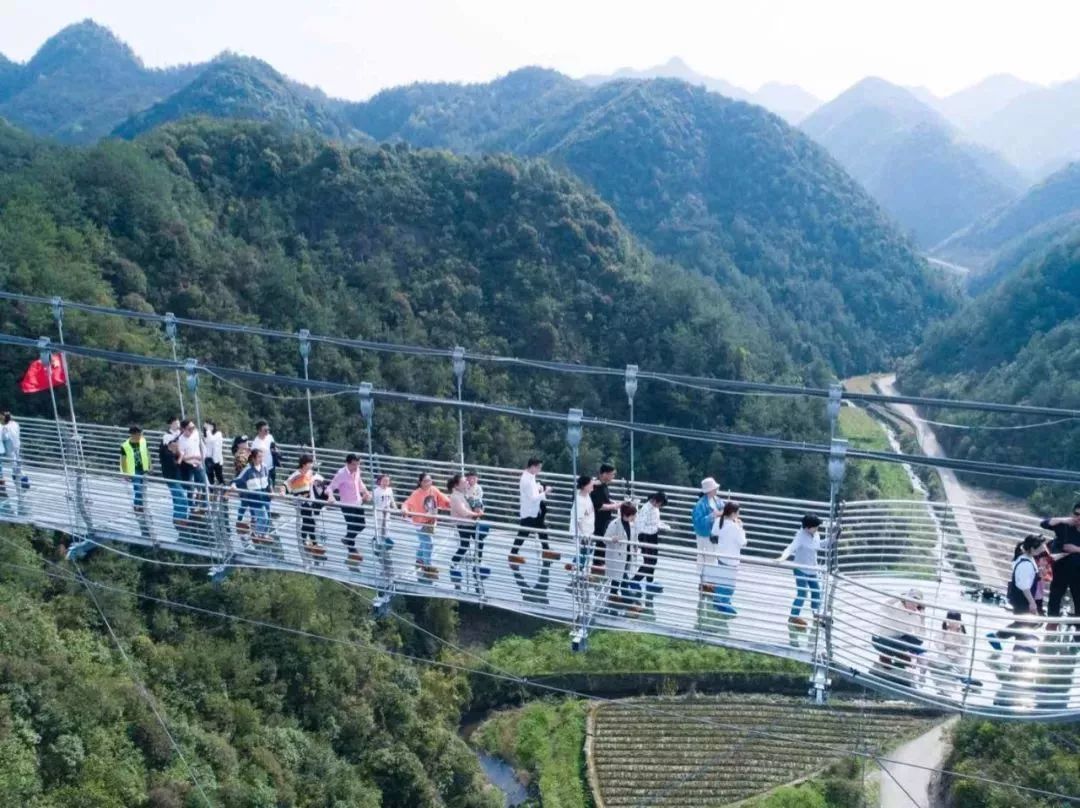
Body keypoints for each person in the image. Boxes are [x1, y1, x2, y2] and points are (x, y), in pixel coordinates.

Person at [988, 534, 1045, 652]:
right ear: (1032, 549)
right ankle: (1000, 637)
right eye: (1040, 547)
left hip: (1019, 598)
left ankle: (1018, 645)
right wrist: (1032, 602)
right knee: (1023, 623)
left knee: (1023, 622)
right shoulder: (1026, 564)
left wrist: (1037, 574)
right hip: (1022, 598)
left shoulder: (1025, 558)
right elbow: (1024, 586)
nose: (1043, 549)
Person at [777, 514, 828, 627]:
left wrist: (833, 538)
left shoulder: (815, 534)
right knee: (802, 593)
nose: (817, 529)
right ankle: (793, 617)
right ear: (807, 527)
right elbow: (791, 548)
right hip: (800, 569)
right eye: (815, 527)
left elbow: (819, 545)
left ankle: (816, 614)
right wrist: (782, 557)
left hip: (812, 569)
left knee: (816, 592)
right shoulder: (800, 536)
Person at [402, 472, 451, 577]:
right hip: (421, 523)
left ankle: (419, 560)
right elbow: (406, 503)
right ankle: (427, 566)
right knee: (428, 544)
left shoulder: (433, 489)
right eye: (425, 481)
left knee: (423, 542)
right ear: (420, 482)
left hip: (430, 522)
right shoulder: (416, 493)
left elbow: (443, 498)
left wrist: (451, 503)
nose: (428, 483)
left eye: (430, 480)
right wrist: (405, 510)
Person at [1040, 504, 1080, 622]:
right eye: (1076, 514)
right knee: (1055, 598)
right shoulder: (1065, 526)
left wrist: (1076, 549)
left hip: (1078, 574)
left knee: (1079, 601)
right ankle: (1052, 626)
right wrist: (1063, 519)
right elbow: (1044, 523)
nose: (1078, 517)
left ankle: (1077, 633)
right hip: (1060, 570)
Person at [327, 454, 372, 555]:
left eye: (358, 464)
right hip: (347, 505)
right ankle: (352, 550)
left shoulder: (357, 470)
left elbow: (359, 482)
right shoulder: (341, 474)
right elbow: (330, 487)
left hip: (358, 502)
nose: (356, 467)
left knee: (361, 525)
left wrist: (366, 492)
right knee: (351, 526)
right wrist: (331, 496)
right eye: (354, 465)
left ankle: (347, 539)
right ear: (347, 463)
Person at [873, 588, 927, 669]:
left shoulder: (916, 617)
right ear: (905, 600)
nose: (912, 604)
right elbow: (882, 606)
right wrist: (898, 597)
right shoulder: (896, 608)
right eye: (909, 600)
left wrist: (923, 619)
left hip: (896, 640)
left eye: (915, 602)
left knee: (915, 642)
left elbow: (920, 639)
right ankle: (885, 655)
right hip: (881, 640)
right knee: (902, 644)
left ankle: (900, 653)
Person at [708, 501, 746, 615]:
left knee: (721, 580)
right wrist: (741, 527)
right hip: (732, 559)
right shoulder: (736, 527)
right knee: (730, 585)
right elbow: (743, 542)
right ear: (734, 513)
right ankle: (724, 603)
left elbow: (714, 532)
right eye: (738, 512)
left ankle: (717, 601)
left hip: (721, 556)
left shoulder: (719, 521)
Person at [229, 447, 272, 543]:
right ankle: (256, 534)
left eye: (262, 457)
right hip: (255, 498)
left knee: (267, 517)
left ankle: (263, 534)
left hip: (265, 496)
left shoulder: (264, 467)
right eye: (259, 457)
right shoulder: (248, 470)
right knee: (263, 517)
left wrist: (271, 490)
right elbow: (238, 479)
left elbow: (269, 480)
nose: (261, 459)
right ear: (253, 458)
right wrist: (233, 485)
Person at [511, 458, 551, 558]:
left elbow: (531, 492)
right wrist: (545, 492)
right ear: (533, 467)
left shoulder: (530, 476)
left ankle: (546, 551)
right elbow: (533, 498)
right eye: (538, 468)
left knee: (542, 530)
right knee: (523, 534)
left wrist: (538, 487)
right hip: (529, 512)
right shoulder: (527, 480)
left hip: (533, 511)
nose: (539, 470)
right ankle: (513, 553)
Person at [285, 454, 326, 550]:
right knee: (309, 522)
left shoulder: (310, 472)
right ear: (304, 464)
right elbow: (286, 484)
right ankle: (310, 543)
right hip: (301, 502)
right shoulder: (296, 475)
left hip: (309, 501)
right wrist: (283, 491)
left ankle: (308, 543)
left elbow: (316, 479)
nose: (312, 464)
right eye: (310, 463)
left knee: (308, 522)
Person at [603, 501, 639, 607]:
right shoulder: (614, 524)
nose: (634, 517)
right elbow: (605, 539)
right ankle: (628, 600)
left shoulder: (631, 524)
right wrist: (612, 539)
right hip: (617, 556)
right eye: (633, 515)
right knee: (621, 577)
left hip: (627, 555)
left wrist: (636, 546)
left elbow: (634, 537)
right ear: (626, 514)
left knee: (619, 577)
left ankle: (613, 596)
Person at [449, 472, 482, 573]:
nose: (466, 482)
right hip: (463, 524)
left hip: (470, 523)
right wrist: (475, 515)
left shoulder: (464, 493)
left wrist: (478, 510)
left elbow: (474, 502)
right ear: (456, 485)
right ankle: (454, 562)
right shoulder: (455, 497)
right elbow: (463, 512)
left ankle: (478, 562)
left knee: (479, 541)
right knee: (465, 545)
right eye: (464, 481)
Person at [633, 491, 669, 585]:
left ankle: (649, 581)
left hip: (653, 535)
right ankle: (634, 581)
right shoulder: (646, 509)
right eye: (660, 505)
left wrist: (661, 525)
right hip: (645, 536)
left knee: (654, 560)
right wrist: (655, 528)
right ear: (656, 501)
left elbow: (654, 521)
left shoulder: (655, 508)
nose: (660, 507)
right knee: (649, 562)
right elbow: (640, 527)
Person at [692, 477, 725, 576]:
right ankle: (704, 578)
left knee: (713, 557)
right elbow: (698, 523)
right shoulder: (700, 505)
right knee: (705, 557)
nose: (716, 489)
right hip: (704, 535)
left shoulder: (717, 500)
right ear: (710, 490)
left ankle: (710, 578)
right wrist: (713, 516)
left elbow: (723, 510)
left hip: (714, 534)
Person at [590, 463, 619, 569]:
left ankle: (599, 563)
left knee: (602, 542)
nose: (613, 477)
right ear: (604, 474)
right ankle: (597, 565)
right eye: (612, 474)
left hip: (605, 519)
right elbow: (599, 506)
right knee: (600, 541)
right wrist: (615, 506)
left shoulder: (604, 485)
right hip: (598, 519)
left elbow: (605, 499)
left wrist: (613, 503)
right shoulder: (596, 486)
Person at [158, 417, 187, 524]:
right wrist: (180, 457)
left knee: (177, 498)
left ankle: (177, 518)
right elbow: (174, 465)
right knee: (181, 498)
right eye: (175, 443)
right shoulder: (167, 454)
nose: (177, 444)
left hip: (174, 476)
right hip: (171, 477)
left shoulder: (168, 452)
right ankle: (181, 519)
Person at [177, 419, 208, 514]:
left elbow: (201, 446)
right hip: (187, 465)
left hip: (198, 463)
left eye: (193, 428)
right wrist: (194, 457)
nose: (192, 430)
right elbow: (183, 457)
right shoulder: (181, 440)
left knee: (204, 483)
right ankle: (191, 506)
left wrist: (202, 458)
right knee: (190, 487)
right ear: (183, 429)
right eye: (189, 429)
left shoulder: (196, 434)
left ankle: (206, 504)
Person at [118, 425, 151, 511]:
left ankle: (138, 504)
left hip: (143, 468)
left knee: (141, 488)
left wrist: (150, 465)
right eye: (139, 434)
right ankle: (138, 506)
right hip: (133, 470)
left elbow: (147, 453)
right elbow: (123, 460)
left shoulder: (143, 441)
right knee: (138, 488)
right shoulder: (125, 445)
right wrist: (125, 473)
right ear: (133, 434)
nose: (141, 435)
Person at [573, 475, 596, 570]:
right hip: (583, 533)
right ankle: (576, 569)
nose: (592, 487)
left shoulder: (586, 495)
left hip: (589, 530)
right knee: (583, 552)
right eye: (591, 485)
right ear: (584, 486)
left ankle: (576, 568)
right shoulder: (580, 501)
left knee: (587, 552)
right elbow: (577, 520)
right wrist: (583, 535)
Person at [251, 421, 281, 485]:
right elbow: (253, 458)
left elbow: (273, 447)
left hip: (271, 467)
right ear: (259, 431)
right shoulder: (255, 444)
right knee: (265, 488)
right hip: (262, 470)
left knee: (272, 485)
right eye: (265, 430)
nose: (267, 431)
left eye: (268, 429)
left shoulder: (270, 437)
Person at [465, 469, 490, 548]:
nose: (472, 480)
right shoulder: (466, 487)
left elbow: (479, 497)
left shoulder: (478, 487)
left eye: (474, 478)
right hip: (469, 506)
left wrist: (473, 498)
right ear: (467, 479)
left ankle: (475, 517)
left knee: (477, 505)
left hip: (476, 503)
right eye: (470, 478)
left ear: (477, 479)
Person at [373, 473, 397, 547]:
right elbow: (374, 503)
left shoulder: (390, 490)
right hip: (379, 511)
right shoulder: (376, 491)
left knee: (387, 525)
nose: (385, 483)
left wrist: (395, 507)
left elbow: (392, 500)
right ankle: (377, 539)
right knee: (379, 526)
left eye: (387, 481)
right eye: (384, 481)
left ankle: (386, 537)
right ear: (380, 481)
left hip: (387, 511)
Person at [0, 411, 22, 493]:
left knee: (14, 464)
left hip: (10, 447)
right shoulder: (15, 424)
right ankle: (21, 479)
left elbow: (5, 437)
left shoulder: (5, 428)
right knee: (17, 460)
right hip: (17, 444)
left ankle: (19, 481)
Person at [203, 421, 224, 485]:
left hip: (217, 459)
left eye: (210, 426)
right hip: (209, 459)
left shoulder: (218, 434)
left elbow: (212, 439)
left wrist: (208, 431)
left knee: (219, 476)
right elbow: (207, 443)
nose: (209, 428)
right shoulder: (205, 435)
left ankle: (223, 491)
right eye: (207, 426)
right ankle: (211, 492)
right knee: (210, 477)